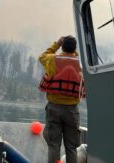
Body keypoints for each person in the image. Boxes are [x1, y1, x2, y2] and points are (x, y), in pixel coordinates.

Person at [38, 35, 85, 163]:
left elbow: (41, 57)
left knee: (53, 145)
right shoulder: (80, 63)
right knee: (71, 147)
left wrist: (56, 44)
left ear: (62, 46)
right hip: (72, 111)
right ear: (74, 48)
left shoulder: (52, 59)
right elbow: (75, 57)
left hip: (53, 108)